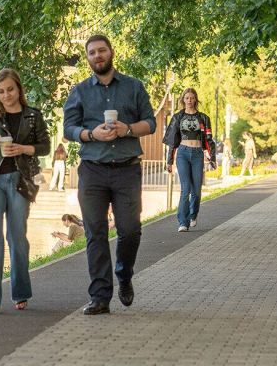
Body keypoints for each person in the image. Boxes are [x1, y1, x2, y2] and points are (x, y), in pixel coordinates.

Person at [63, 34, 156, 315]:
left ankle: (124, 273)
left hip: (126, 169)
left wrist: (126, 129)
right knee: (96, 234)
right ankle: (100, 297)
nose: (97, 56)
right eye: (92, 53)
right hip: (92, 171)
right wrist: (91, 134)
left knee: (130, 231)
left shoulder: (133, 86)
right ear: (88, 58)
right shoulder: (79, 91)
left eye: (101, 50)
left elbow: (150, 123)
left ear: (111, 52)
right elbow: (69, 128)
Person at [0, 68, 50, 314]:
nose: (6, 95)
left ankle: (21, 292)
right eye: (1, 91)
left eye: (10, 90)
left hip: (20, 181)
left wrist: (24, 148)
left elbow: (45, 146)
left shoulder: (33, 116)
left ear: (19, 89)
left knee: (17, 238)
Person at [163, 88, 217, 232]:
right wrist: (169, 161)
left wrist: (213, 158)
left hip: (198, 154)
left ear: (196, 99)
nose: (189, 101)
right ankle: (182, 222)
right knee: (185, 189)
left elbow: (209, 140)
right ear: (183, 100)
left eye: (192, 98)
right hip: (183, 153)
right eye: (187, 98)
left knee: (196, 190)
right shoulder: (177, 117)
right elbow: (172, 141)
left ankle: (193, 215)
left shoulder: (204, 118)